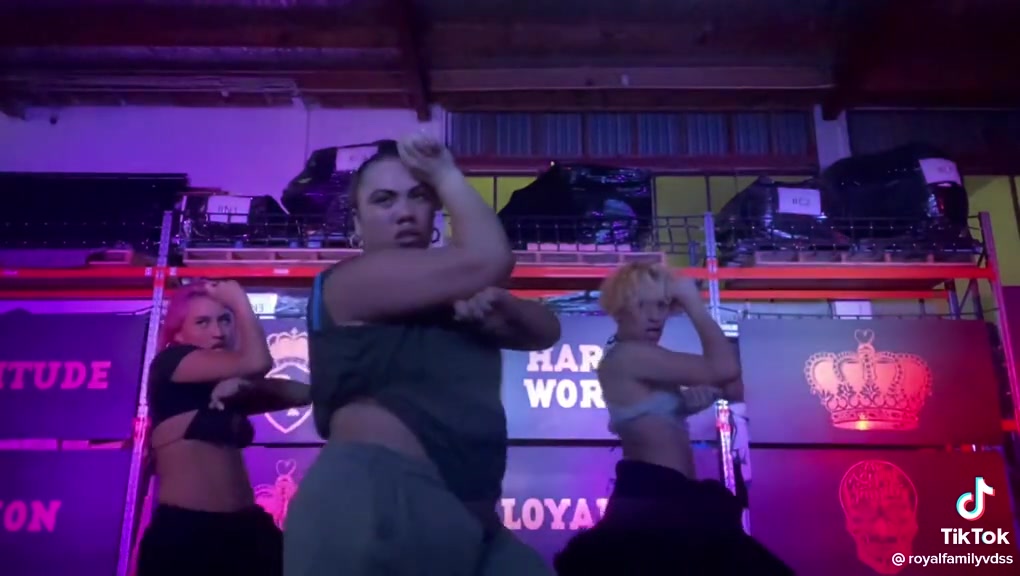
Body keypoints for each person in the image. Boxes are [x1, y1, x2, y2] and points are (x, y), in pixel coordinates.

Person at [284, 134, 562, 576]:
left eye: (418, 195)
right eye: (384, 200)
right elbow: (490, 257)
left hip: (473, 518)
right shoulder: (348, 281)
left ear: (434, 210)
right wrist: (445, 173)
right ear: (357, 222)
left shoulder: (453, 283)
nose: (404, 212)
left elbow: (546, 331)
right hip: (379, 504)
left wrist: (502, 307)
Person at [553, 262, 793, 575]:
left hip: (662, 496)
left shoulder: (631, 354)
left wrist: (683, 404)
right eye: (642, 305)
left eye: (662, 305)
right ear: (620, 308)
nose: (655, 316)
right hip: (656, 498)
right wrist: (695, 304)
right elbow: (724, 369)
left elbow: (728, 384)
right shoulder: (631, 355)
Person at [136, 280, 312, 576]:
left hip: (247, 531)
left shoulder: (225, 384)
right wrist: (239, 301)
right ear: (178, 332)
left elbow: (303, 393)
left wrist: (245, 386)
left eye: (225, 320)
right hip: (189, 538)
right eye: (202, 322)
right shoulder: (170, 363)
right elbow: (257, 361)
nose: (218, 332)